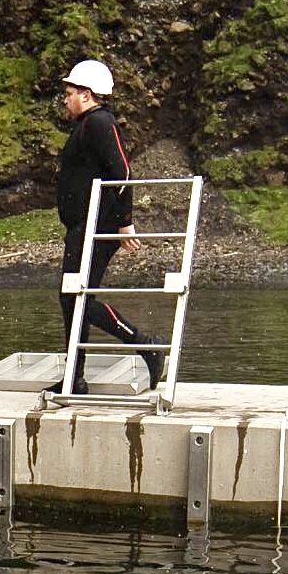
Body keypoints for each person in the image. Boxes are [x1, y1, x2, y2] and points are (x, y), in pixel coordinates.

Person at [54, 57, 164, 395]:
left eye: (70, 92)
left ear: (86, 95)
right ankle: (76, 375)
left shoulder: (100, 123)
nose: (65, 98)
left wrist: (124, 222)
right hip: (82, 226)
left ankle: (145, 344)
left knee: (76, 297)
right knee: (72, 297)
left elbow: (122, 172)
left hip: (95, 227)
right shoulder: (85, 125)